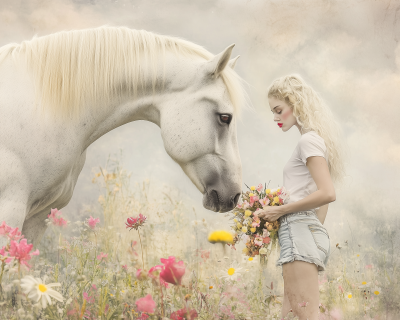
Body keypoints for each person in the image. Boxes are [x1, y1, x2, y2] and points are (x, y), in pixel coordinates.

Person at [257, 74, 346, 320]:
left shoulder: (308, 140)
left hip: (299, 230)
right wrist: (312, 230)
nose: (275, 118)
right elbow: (322, 197)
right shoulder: (315, 140)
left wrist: (280, 211)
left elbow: (328, 193)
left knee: (304, 314)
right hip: (304, 229)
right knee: (290, 315)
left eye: (278, 110)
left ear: (295, 104)